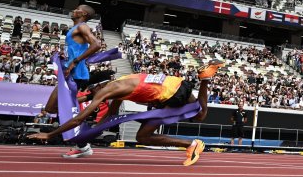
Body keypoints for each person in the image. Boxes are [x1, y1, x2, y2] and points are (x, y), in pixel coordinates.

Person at [29, 60, 225, 166]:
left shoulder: (108, 91)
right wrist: (91, 132)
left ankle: (191, 144)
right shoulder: (117, 84)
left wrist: (50, 134)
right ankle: (204, 78)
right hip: (174, 83)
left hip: (168, 96)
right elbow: (108, 116)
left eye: (91, 93)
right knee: (199, 115)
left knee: (143, 136)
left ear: (97, 87)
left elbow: (80, 117)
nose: (90, 96)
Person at [44, 5, 101, 158]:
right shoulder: (76, 28)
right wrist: (66, 57)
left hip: (76, 74)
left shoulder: (82, 27)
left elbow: (97, 44)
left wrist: (74, 61)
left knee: (60, 109)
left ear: (82, 13)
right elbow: (78, 49)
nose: (73, 10)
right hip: (71, 74)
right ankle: (82, 138)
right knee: (52, 108)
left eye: (76, 9)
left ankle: (83, 144)